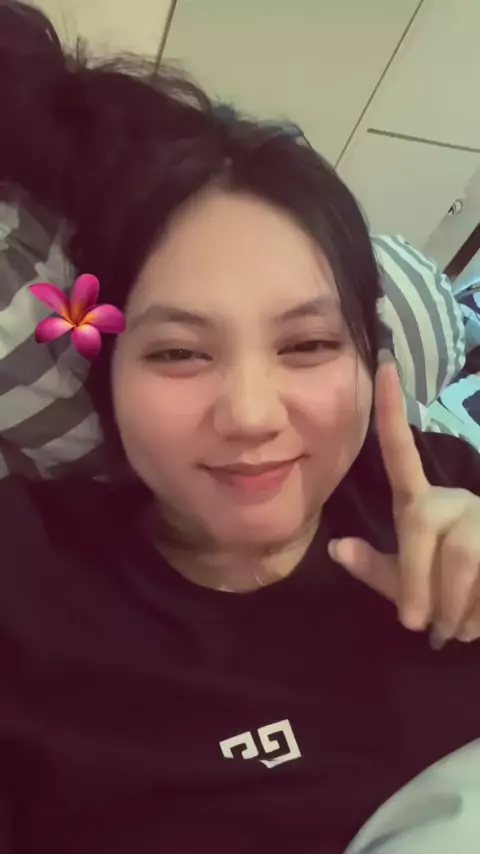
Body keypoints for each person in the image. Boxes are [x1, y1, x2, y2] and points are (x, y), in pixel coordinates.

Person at [0, 3, 479, 852]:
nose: (252, 416)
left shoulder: (448, 485)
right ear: (108, 374)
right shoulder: (25, 587)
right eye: (180, 353)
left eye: (308, 344)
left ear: (367, 355)